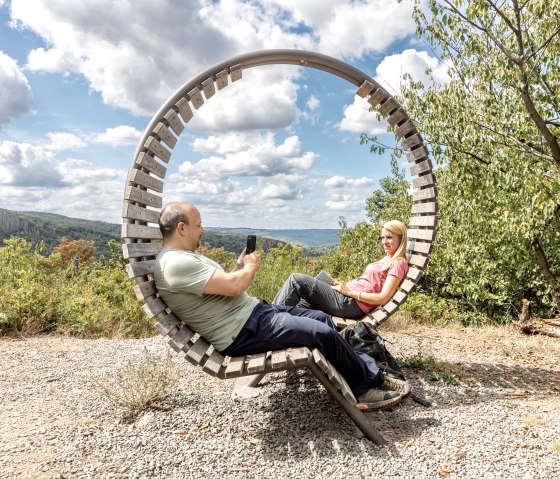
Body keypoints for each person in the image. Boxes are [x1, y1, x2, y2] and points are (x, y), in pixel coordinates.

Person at [153, 202, 409, 411]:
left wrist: (239, 267)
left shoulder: (185, 258)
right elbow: (233, 288)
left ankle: (366, 370)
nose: (203, 230)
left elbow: (220, 285)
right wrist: (251, 267)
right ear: (182, 228)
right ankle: (364, 387)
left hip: (253, 316)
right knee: (322, 333)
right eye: (199, 225)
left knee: (321, 318)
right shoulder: (175, 263)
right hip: (243, 330)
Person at [273, 220, 409, 319]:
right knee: (302, 305)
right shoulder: (388, 258)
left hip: (351, 304)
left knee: (297, 280)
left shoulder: (398, 263)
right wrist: (343, 285)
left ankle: (268, 321)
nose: (384, 242)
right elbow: (369, 283)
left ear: (401, 238)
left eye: (389, 237)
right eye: (383, 237)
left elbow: (382, 298)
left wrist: (349, 292)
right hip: (346, 298)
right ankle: (278, 330)